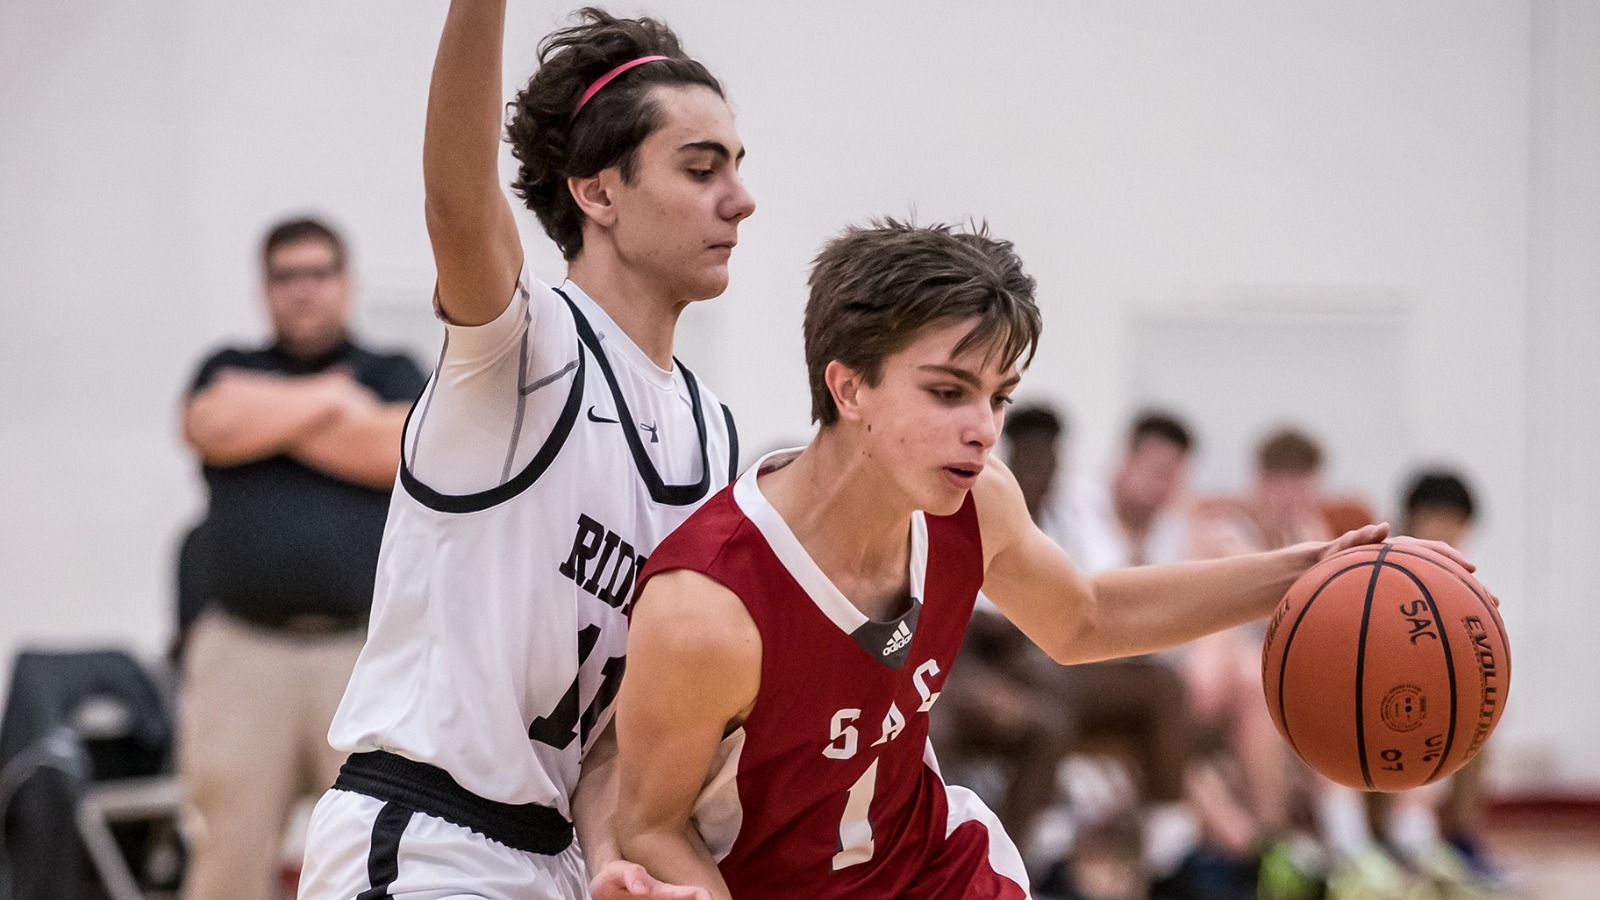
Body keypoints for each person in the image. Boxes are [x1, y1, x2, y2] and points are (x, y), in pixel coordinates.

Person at [611, 220, 1455, 899]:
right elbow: (647, 824)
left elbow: (1084, 617)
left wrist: (1305, 572)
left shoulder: (975, 502)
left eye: (998, 397)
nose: (984, 427)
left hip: (938, 869)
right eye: (948, 392)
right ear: (849, 387)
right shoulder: (708, 606)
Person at [296, 4, 753, 899]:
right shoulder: (527, 346)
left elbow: (616, 737)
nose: (739, 197)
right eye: (701, 169)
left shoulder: (715, 437)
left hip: (557, 860)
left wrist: (621, 862)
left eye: (737, 168)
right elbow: (458, 203)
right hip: (425, 839)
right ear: (598, 191)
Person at [178, 216, 427, 900]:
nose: (303, 290)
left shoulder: (394, 371)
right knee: (225, 853)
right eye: (286, 276)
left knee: (372, 855)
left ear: (345, 284)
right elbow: (208, 424)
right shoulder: (227, 367)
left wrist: (273, 427)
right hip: (241, 654)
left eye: (318, 273)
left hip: (360, 655)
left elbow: (397, 449)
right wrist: (333, 402)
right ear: (266, 289)